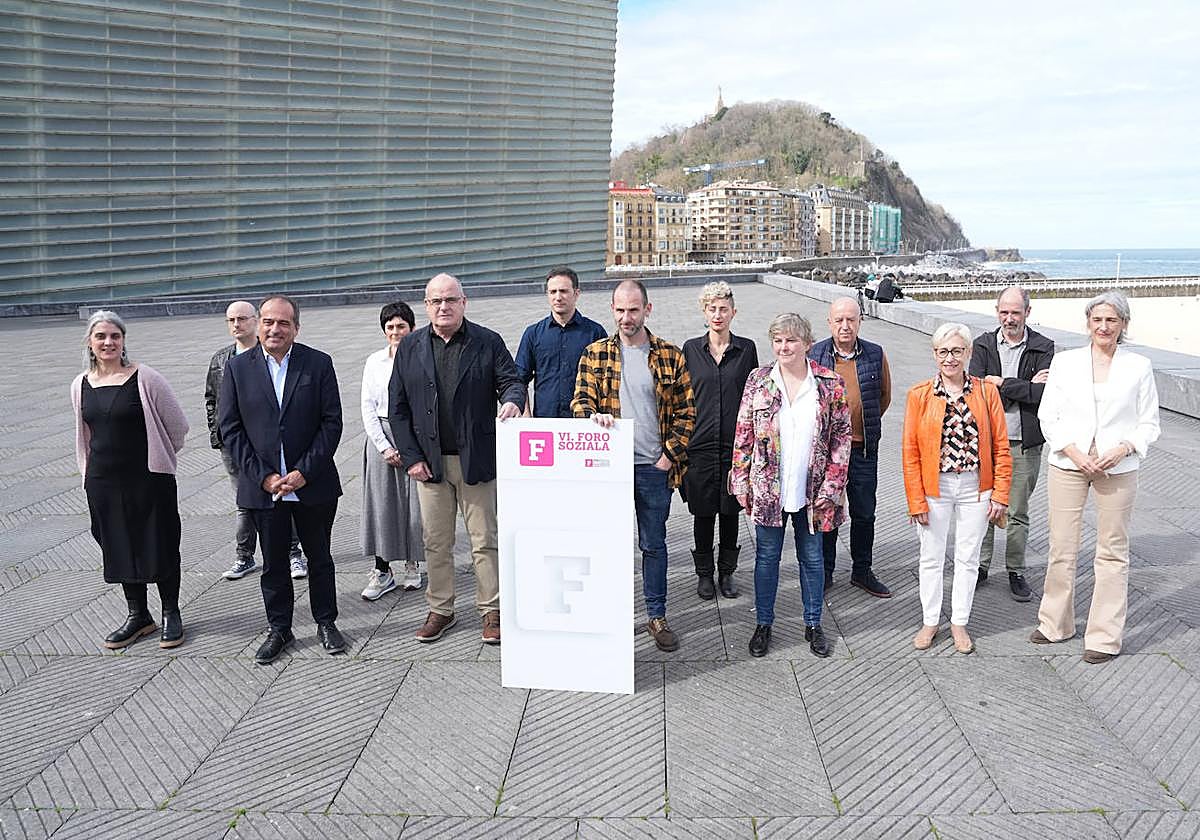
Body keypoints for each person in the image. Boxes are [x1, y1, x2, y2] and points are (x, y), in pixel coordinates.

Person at [390, 273, 524, 645]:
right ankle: (441, 609)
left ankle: (492, 610)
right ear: (426, 305)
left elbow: (511, 380)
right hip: (428, 464)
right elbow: (397, 409)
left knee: (485, 539)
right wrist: (411, 458)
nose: (443, 307)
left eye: (450, 300)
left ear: (464, 302)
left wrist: (513, 400)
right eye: (436, 301)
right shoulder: (411, 346)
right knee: (436, 541)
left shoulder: (487, 341)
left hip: (476, 459)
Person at [1031, 290, 1160, 664]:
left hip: (1117, 466)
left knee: (1112, 553)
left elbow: (1149, 423)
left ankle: (1104, 636)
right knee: (1061, 547)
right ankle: (1055, 623)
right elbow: (1048, 416)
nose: (1104, 327)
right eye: (1097, 319)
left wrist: (1123, 448)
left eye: (1112, 320)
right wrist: (1072, 451)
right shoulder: (1065, 362)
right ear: (1088, 323)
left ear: (1123, 325)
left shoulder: (1139, 366)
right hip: (1069, 464)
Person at [218, 295, 346, 664]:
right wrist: (265, 477)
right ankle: (280, 628)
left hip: (313, 484)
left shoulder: (318, 364)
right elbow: (231, 428)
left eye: (284, 323)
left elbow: (331, 423)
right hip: (265, 490)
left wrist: (304, 472)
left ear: (296, 328)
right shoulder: (238, 369)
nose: (275, 329)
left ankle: (326, 622)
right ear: (259, 325)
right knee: (274, 563)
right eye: (269, 322)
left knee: (319, 557)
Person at [573, 279, 695, 652]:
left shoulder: (670, 355)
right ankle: (608, 617)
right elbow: (579, 404)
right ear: (613, 310)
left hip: (653, 468)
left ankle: (656, 616)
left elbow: (688, 413)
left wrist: (667, 457)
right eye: (620, 310)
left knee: (654, 545)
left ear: (647, 309)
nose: (627, 317)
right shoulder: (594, 354)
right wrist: (593, 418)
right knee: (608, 544)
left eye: (634, 310)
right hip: (609, 469)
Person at [730, 313, 850, 659]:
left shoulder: (829, 383)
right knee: (766, 558)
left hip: (813, 492)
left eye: (791, 340)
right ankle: (764, 624)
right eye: (778, 340)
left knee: (812, 558)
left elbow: (842, 438)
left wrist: (832, 486)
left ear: (807, 344)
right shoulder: (759, 380)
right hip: (769, 490)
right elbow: (743, 433)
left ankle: (813, 623)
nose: (784, 347)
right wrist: (740, 478)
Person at [71, 310, 188, 650]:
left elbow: (178, 427)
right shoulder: (80, 384)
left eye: (114, 336)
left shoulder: (146, 377)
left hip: (148, 478)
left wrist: (160, 457)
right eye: (101, 337)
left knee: (161, 542)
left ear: (123, 341)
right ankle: (139, 615)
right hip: (103, 481)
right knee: (117, 544)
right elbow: (85, 433)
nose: (108, 342)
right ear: (90, 343)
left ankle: (170, 612)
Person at [903, 323, 1011, 655]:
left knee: (968, 557)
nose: (950, 358)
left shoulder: (986, 392)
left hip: (975, 485)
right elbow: (910, 451)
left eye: (957, 351)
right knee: (931, 557)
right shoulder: (920, 394)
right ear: (935, 354)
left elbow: (1001, 446)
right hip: (935, 485)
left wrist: (1001, 493)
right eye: (943, 351)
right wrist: (915, 499)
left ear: (967, 353)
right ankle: (930, 621)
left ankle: (960, 622)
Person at [205, 301, 304, 581]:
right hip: (238, 449)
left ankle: (294, 553)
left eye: (242, 319)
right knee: (246, 503)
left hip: (277, 450)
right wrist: (221, 438)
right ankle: (244, 555)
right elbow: (214, 402)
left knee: (285, 500)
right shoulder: (223, 361)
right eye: (231, 320)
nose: (236, 325)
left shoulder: (291, 359)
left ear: (254, 321)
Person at [969, 286, 1055, 601]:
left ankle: (1015, 570)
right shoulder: (983, 345)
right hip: (987, 440)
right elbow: (977, 390)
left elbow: (1043, 395)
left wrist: (1003, 383)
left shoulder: (1043, 347)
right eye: (1004, 312)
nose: (1009, 318)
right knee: (984, 506)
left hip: (1025, 441)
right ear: (997, 312)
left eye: (1015, 313)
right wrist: (1024, 388)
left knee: (1017, 509)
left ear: (1027, 313)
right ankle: (980, 566)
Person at [808, 296, 892, 597]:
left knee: (864, 511)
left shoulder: (875, 354)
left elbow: (883, 397)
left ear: (860, 321)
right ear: (829, 322)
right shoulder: (815, 354)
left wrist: (859, 427)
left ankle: (862, 570)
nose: (845, 326)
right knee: (826, 509)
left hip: (863, 448)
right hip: (827, 452)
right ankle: (826, 570)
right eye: (839, 320)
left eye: (851, 319)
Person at [680, 281, 758, 600]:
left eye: (723, 309)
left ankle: (726, 574)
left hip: (734, 447)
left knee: (729, 513)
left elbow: (755, 396)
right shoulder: (690, 349)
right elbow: (681, 396)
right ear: (704, 312)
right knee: (702, 514)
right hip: (698, 447)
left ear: (733, 313)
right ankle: (704, 576)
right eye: (712, 309)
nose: (717, 314)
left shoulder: (746, 349)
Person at [359, 302, 424, 600]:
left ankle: (414, 564)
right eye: (390, 327)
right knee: (381, 505)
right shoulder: (375, 361)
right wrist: (383, 446)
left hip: (414, 434)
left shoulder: (423, 357)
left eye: (401, 326)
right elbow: (367, 406)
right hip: (382, 433)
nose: (396, 332)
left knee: (415, 506)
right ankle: (382, 569)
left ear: (411, 328)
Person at [515, 266, 607, 417]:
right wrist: (526, 417)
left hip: (586, 424)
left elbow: (606, 381)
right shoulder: (533, 334)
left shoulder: (595, 333)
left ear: (576, 294)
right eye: (553, 292)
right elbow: (519, 379)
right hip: (545, 425)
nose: (558, 297)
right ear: (547, 294)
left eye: (563, 291)